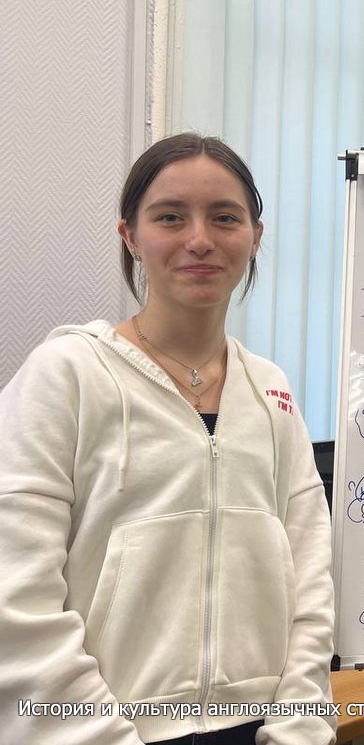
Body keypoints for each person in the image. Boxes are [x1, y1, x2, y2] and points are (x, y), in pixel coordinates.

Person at [0, 134, 336, 744]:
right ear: (130, 235)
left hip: (260, 728)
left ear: (255, 237)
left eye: (225, 217)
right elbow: (15, 598)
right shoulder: (66, 375)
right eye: (170, 217)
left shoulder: (271, 390)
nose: (200, 239)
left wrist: (300, 726)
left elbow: (309, 574)